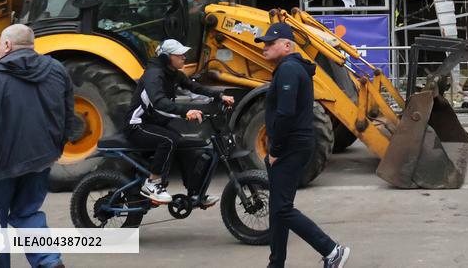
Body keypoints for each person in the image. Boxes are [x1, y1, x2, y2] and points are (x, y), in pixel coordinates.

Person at [0, 24, 75, 268]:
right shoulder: (57, 70)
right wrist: (57, 148)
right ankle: (49, 261)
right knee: (27, 212)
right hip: (41, 158)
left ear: (7, 45)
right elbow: (68, 112)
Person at [257, 23, 351, 268]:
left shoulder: (288, 69)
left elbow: (285, 113)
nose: (265, 47)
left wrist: (275, 150)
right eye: (264, 43)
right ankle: (276, 263)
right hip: (295, 144)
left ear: (287, 45)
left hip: (291, 146)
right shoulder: (291, 68)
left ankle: (332, 250)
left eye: (270, 43)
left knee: (282, 209)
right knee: (278, 208)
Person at [126, 39, 234, 205]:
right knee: (169, 140)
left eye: (184, 54)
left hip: (155, 124)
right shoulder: (154, 74)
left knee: (186, 145)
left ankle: (194, 193)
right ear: (166, 57)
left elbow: (194, 88)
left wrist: (219, 96)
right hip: (137, 125)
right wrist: (185, 112)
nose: (184, 57)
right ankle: (152, 183)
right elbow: (158, 102)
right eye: (179, 54)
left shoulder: (174, 74)